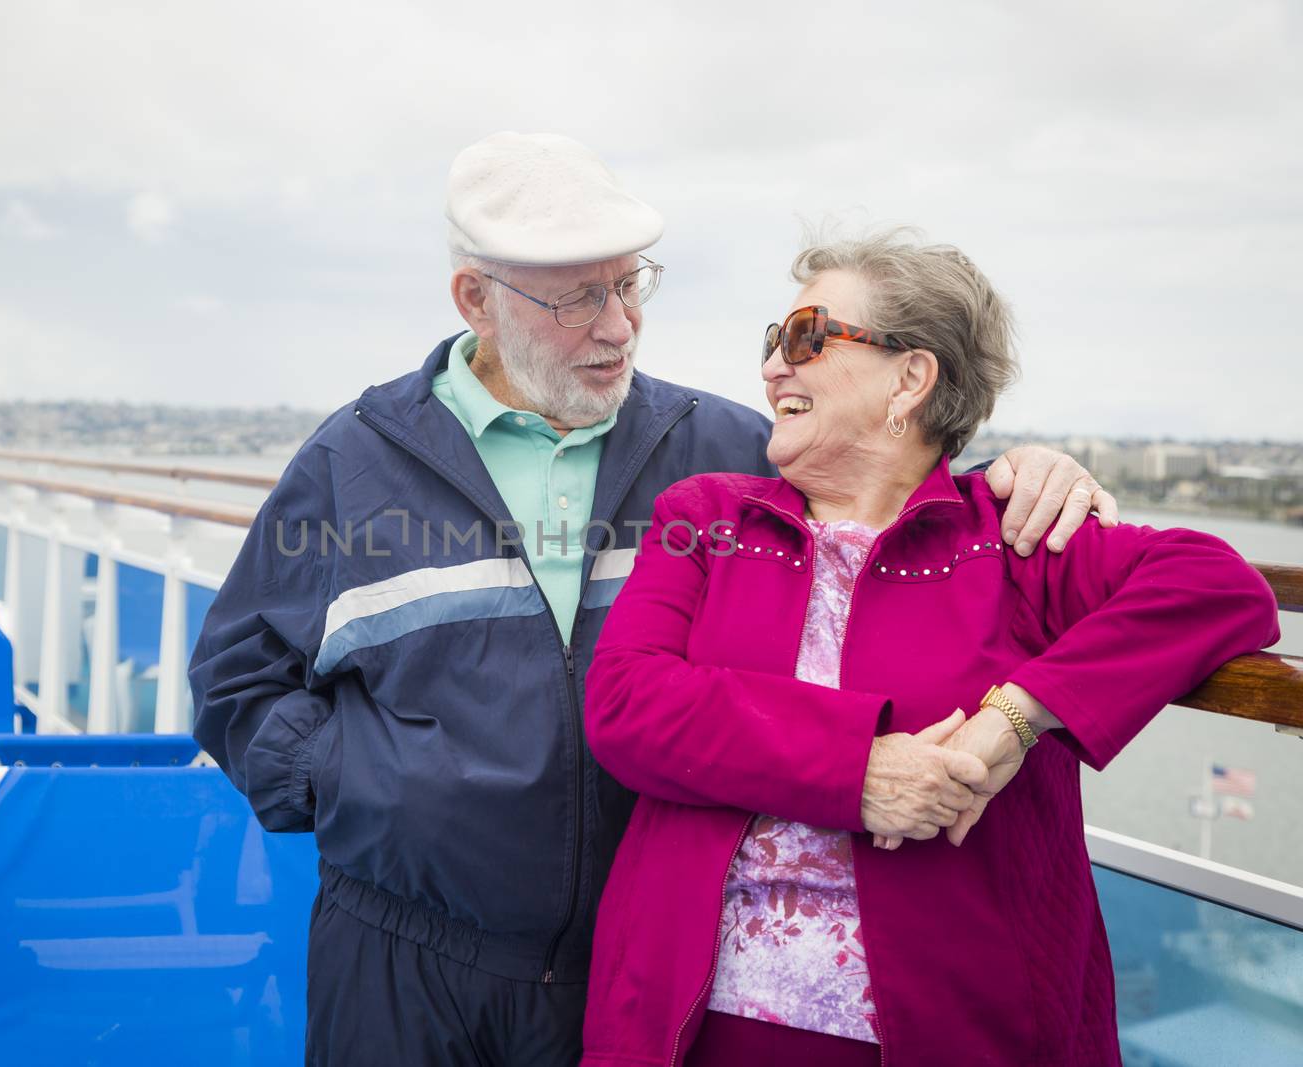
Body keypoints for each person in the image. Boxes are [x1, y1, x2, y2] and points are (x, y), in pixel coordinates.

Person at [189, 135, 1115, 1066]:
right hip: (400, 959)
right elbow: (236, 678)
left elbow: (887, 489)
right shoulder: (354, 462)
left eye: (631, 286)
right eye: (578, 298)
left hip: (631, 967)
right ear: (477, 299)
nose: (619, 325)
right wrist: (370, 792)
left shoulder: (724, 449)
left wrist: (1019, 475)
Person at [578, 230, 1280, 1067]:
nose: (772, 368)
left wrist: (1013, 719)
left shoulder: (1012, 538)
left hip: (952, 1029)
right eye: (772, 343)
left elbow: (1221, 585)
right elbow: (624, 702)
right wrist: (857, 771)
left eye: (803, 336)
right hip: (689, 1026)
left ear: (909, 378)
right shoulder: (709, 516)